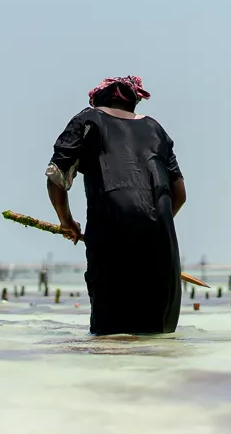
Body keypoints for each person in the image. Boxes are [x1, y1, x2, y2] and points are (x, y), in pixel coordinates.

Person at [45, 75, 187, 335]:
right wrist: (151, 225)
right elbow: (179, 194)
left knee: (110, 334)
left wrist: (66, 221)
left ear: (97, 101)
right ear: (134, 104)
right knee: (158, 334)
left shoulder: (87, 120)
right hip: (161, 236)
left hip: (112, 230)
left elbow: (56, 176)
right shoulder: (156, 129)